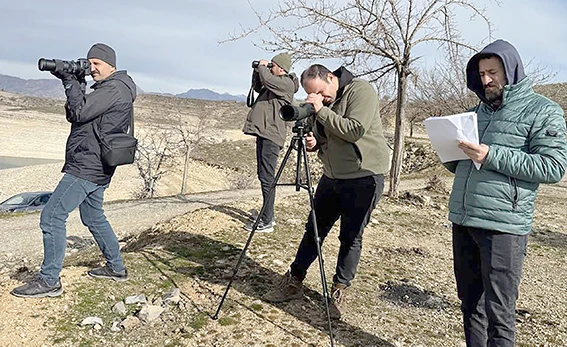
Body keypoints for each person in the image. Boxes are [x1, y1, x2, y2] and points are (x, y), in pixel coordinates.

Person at [446, 39, 567, 346]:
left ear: (511, 69)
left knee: (499, 313)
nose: (486, 80)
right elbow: (467, 166)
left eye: (492, 72)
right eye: (481, 73)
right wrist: (451, 152)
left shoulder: (543, 111)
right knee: (470, 305)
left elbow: (552, 167)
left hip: (504, 228)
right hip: (464, 219)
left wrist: (489, 155)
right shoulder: (477, 112)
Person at [262, 64, 390, 319]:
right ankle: (294, 279)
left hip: (363, 175)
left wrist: (320, 110)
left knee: (351, 237)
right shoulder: (323, 103)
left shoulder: (360, 91)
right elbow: (325, 134)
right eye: (313, 95)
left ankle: (340, 290)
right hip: (331, 176)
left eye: (320, 92)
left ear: (331, 77)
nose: (319, 98)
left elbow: (354, 130)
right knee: (314, 230)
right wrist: (314, 141)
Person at [11, 43, 137, 298]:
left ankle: (49, 281)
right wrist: (75, 83)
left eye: (97, 64)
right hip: (98, 164)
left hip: (87, 166)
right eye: (89, 63)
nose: (92, 69)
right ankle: (116, 268)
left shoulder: (113, 89)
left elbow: (79, 112)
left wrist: (70, 79)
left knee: (51, 216)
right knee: (93, 217)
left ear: (111, 64)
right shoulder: (113, 88)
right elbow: (76, 113)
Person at [242, 53, 299, 233]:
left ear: (281, 68)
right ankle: (267, 216)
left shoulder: (286, 83)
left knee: (267, 178)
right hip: (265, 133)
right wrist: (257, 71)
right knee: (264, 176)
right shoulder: (275, 84)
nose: (269, 68)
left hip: (272, 136)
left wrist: (262, 67)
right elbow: (259, 86)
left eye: (272, 65)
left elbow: (266, 81)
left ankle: (267, 221)